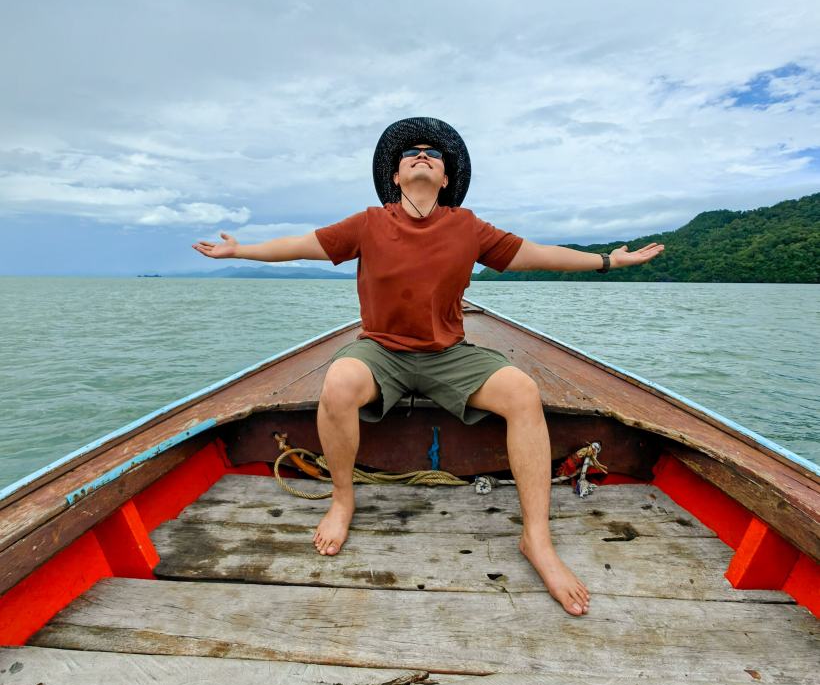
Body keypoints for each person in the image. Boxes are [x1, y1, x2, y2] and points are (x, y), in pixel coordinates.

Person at [192, 116, 664, 616]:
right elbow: (300, 246)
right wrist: (241, 250)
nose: (423, 155)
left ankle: (537, 540)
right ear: (396, 176)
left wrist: (608, 262)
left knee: (523, 392)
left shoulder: (467, 226)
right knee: (339, 381)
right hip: (381, 352)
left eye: (434, 153)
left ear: (445, 178)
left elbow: (538, 255)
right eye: (411, 152)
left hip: (448, 355)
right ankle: (342, 500)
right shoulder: (369, 223)